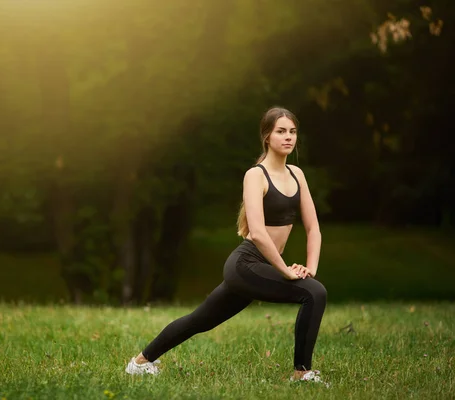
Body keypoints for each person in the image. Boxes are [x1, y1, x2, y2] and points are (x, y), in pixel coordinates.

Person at [125, 107, 327, 384]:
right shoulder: (256, 175)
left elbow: (313, 228)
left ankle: (140, 362)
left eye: (292, 132)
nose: (288, 137)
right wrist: (286, 271)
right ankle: (302, 374)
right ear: (267, 136)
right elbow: (256, 232)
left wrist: (310, 269)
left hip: (264, 265)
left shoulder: (297, 175)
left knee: (201, 320)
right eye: (281, 131)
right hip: (246, 265)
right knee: (314, 294)